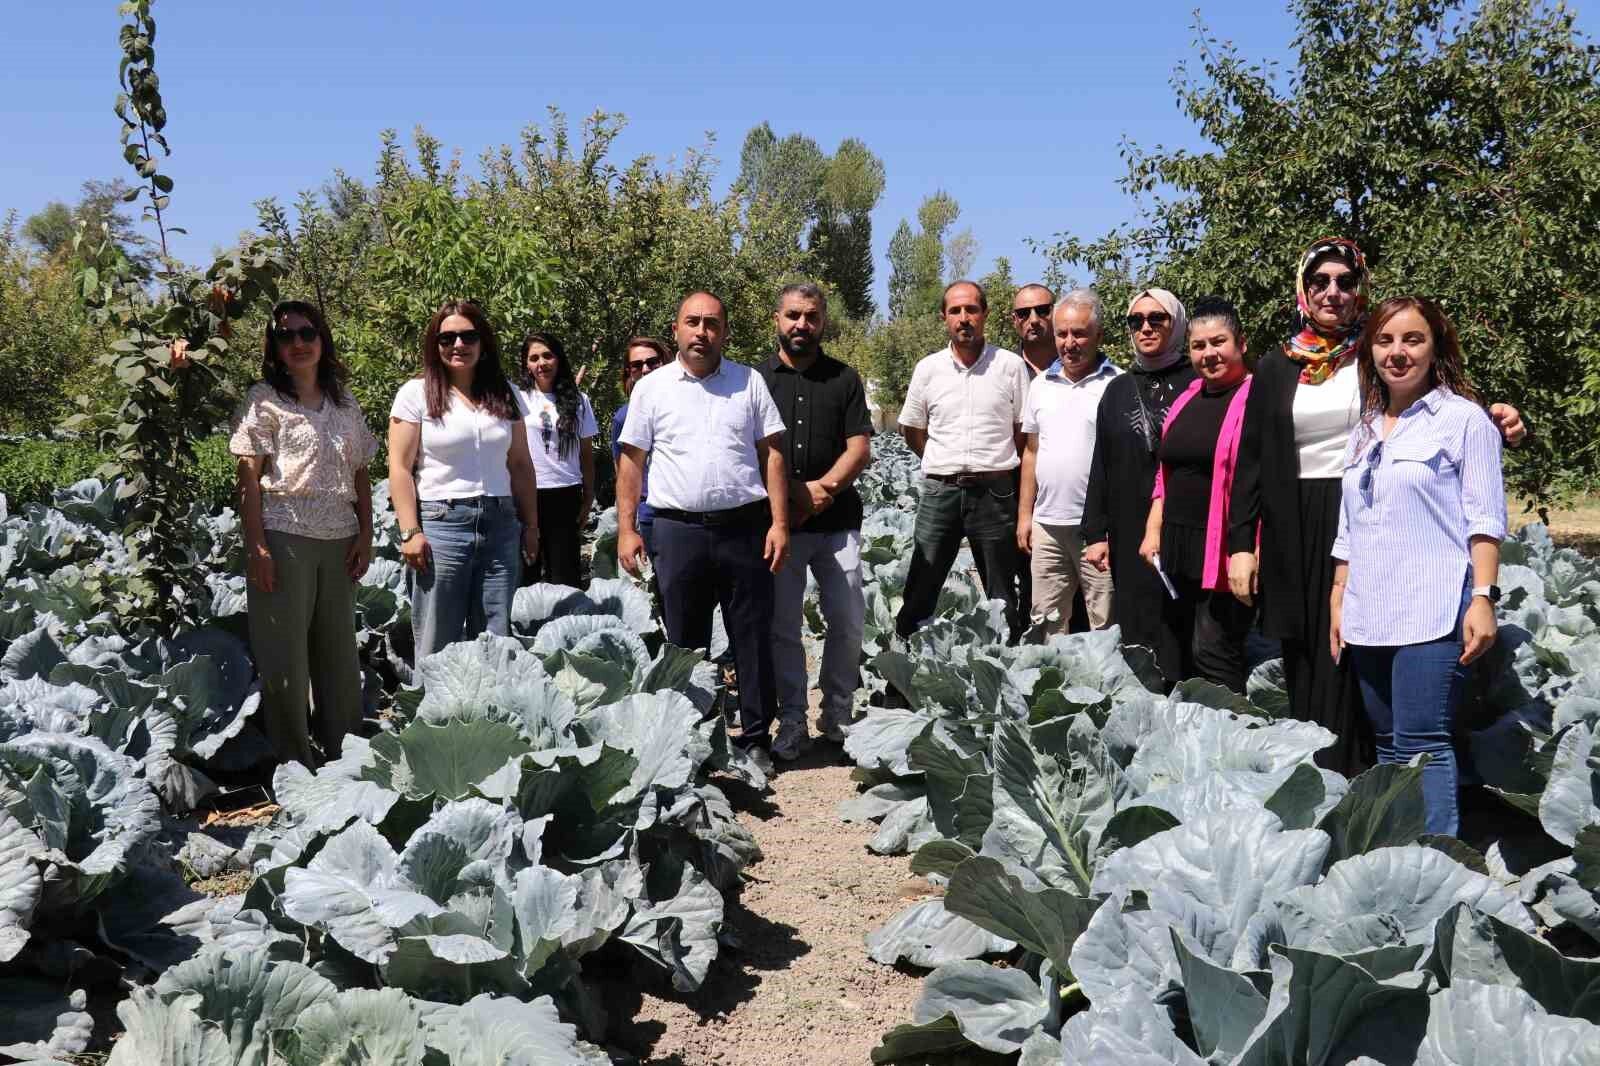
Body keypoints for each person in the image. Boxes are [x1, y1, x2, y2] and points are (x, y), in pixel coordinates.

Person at [1227, 238, 1524, 774]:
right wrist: (1240, 544)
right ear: (1303, 289)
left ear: (1360, 288)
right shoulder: (1276, 366)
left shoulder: (1378, 348)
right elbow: (1251, 457)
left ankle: (1379, 784)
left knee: (1370, 655)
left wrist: (1499, 415)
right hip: (1296, 523)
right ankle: (1322, 779)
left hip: (1376, 519)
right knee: (1312, 652)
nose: (1332, 292)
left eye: (1345, 281)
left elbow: (1437, 405)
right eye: (1320, 282)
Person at [1331, 297, 1505, 837]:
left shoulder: (1463, 421)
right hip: (1369, 608)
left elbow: (1485, 519)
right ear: (1370, 350)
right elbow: (1349, 526)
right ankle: (1398, 856)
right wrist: (1339, 597)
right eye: (1385, 341)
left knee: (1422, 742)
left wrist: (1483, 597)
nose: (1397, 353)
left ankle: (1436, 865)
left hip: (1432, 606)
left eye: (1412, 340)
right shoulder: (1364, 428)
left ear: (1435, 349)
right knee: (1386, 744)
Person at [616, 292, 789, 772]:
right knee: (685, 642)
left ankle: (756, 738)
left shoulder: (748, 382)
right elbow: (631, 461)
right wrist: (626, 530)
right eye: (692, 322)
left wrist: (778, 523)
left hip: (744, 527)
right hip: (677, 531)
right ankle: (694, 739)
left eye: (711, 323)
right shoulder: (651, 390)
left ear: (725, 332)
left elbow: (773, 454)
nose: (701, 332)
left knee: (751, 637)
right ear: (676, 330)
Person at [229, 301, 377, 768]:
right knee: (285, 659)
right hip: (284, 536)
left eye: (306, 333)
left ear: (322, 339)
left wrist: (366, 533)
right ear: (273, 346)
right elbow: (248, 478)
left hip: (340, 539)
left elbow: (360, 474)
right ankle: (295, 763)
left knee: (338, 656)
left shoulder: (346, 402)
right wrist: (256, 548)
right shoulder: (263, 399)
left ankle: (344, 758)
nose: (297, 343)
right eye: (285, 335)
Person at [758, 283, 873, 760]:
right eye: (792, 316)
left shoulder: (844, 379)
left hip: (837, 521)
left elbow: (860, 446)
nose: (801, 325)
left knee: (847, 620)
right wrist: (790, 499)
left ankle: (838, 712)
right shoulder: (754, 380)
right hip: (780, 527)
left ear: (823, 322)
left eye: (810, 316)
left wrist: (822, 489)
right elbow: (750, 451)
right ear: (777, 321)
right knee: (783, 625)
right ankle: (791, 719)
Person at [388, 300, 541, 660]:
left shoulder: (506, 394)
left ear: (483, 342)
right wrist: (410, 532)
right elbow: (398, 467)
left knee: (495, 635)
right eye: (447, 338)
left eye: (468, 336)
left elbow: (520, 464)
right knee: (437, 637)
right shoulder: (416, 394)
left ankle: (491, 713)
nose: (458, 345)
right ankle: (430, 712)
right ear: (435, 345)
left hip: (501, 523)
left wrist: (531, 525)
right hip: (442, 526)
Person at [895, 281, 1033, 641]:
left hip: (995, 493)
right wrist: (942, 460)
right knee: (921, 585)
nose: (964, 318)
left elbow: (1023, 430)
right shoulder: (928, 369)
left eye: (971, 309)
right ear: (944, 317)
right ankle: (904, 675)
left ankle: (1008, 666)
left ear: (985, 314)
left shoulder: (1010, 367)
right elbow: (912, 429)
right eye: (955, 311)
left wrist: (995, 464)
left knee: (1002, 591)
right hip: (941, 491)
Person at [1138, 297, 1257, 691]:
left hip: (1222, 548)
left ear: (1241, 343)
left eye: (1218, 342)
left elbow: (1255, 480)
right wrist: (1153, 528)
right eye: (1199, 345)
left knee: (1214, 654)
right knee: (1177, 653)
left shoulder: (1254, 399)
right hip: (1177, 544)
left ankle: (1233, 736)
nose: (1209, 353)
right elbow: (1165, 472)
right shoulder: (1188, 396)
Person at [1082, 288, 1195, 686]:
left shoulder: (1197, 382)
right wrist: (1095, 533)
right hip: (1128, 526)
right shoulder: (1116, 390)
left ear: (1177, 323)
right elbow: (1102, 462)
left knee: (1181, 617)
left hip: (1185, 523)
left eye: (1156, 319)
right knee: (1137, 618)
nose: (1145, 327)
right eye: (1136, 321)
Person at [1017, 290, 1120, 634]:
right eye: (1062, 334)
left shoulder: (1117, 384)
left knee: (1105, 623)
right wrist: (1025, 516)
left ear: (1098, 336)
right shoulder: (1041, 385)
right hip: (1047, 525)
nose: (1069, 342)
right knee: (1045, 622)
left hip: (1099, 531)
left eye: (1079, 333)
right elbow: (1031, 452)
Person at [516, 332, 597, 587]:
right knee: (526, 574)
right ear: (526, 364)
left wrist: (588, 496)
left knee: (565, 576)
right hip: (526, 496)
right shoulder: (517, 399)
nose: (542, 363)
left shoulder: (579, 401)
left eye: (548, 356)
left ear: (558, 359)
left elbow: (585, 453)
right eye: (534, 358)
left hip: (565, 495)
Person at [610, 337, 671, 554]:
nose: (645, 369)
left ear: (665, 362)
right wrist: (627, 529)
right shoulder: (623, 418)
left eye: (652, 362)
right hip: (651, 514)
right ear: (629, 372)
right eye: (636, 365)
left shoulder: (686, 405)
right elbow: (623, 474)